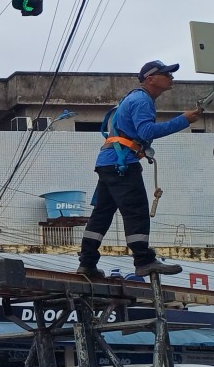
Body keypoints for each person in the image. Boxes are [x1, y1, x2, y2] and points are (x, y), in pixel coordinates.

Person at [77, 60, 203, 279]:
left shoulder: (133, 98)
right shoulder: (142, 100)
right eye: (166, 74)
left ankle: (87, 263)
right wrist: (183, 120)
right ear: (150, 79)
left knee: (102, 214)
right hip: (122, 164)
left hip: (110, 162)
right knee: (136, 211)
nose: (171, 77)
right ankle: (144, 261)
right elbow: (145, 132)